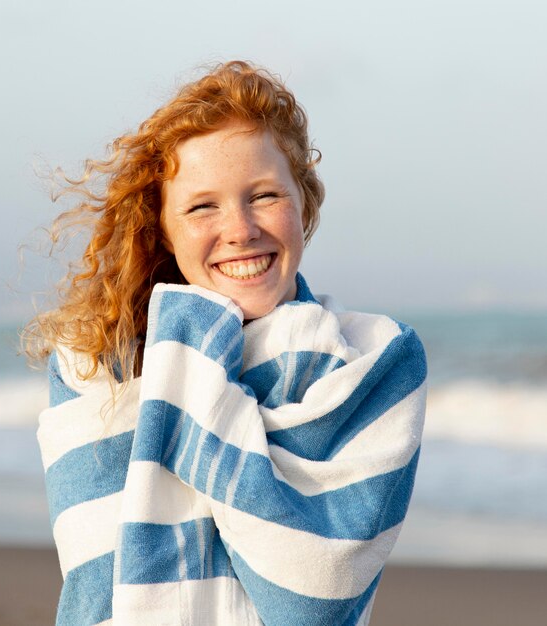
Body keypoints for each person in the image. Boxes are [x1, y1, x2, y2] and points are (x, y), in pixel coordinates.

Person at [25, 60, 427, 626]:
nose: (240, 229)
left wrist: (190, 356)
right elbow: (96, 592)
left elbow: (311, 599)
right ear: (161, 227)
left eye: (263, 195)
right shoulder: (93, 363)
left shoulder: (374, 357)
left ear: (304, 203)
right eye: (202, 205)